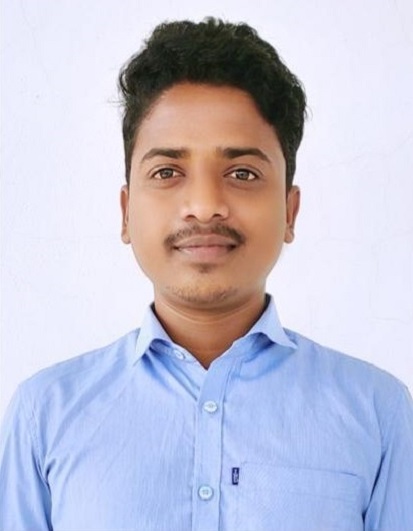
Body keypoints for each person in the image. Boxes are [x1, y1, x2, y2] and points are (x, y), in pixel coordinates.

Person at [1, 17, 412, 531]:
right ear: (126, 213)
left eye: (242, 173)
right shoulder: (45, 415)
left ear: (290, 211)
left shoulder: (377, 412)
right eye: (167, 172)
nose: (203, 205)